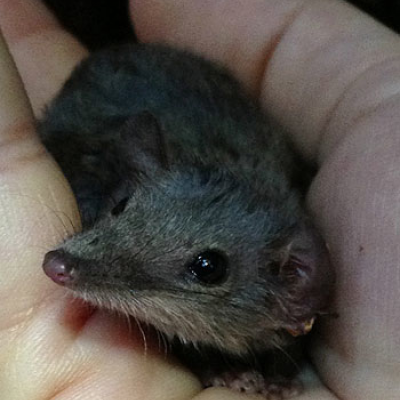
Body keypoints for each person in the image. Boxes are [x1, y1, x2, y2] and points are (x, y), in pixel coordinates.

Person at [0, 0, 399, 399]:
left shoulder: (281, 277)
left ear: (293, 286)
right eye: (122, 206)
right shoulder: (131, 174)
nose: (65, 264)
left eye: (205, 267)